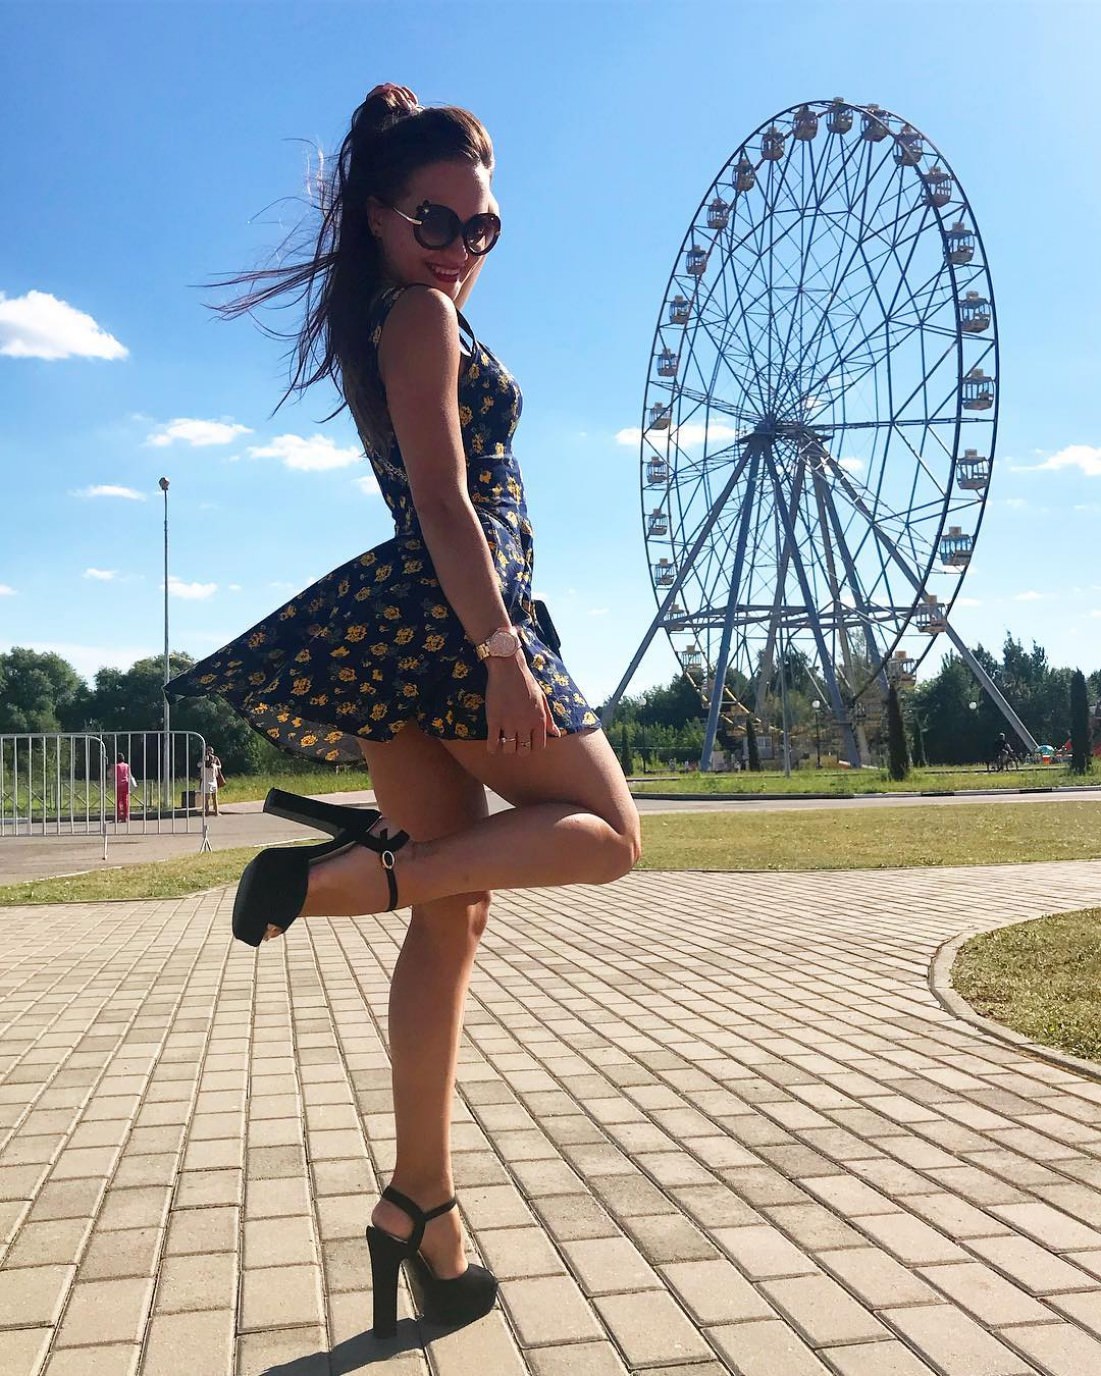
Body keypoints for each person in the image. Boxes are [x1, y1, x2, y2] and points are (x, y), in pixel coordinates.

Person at [166, 83, 640, 1339]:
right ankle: (349, 879)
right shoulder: (420, 314)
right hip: (458, 625)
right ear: (379, 212)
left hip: (398, 632)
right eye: (436, 220)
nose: (458, 247)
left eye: (481, 228)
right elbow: (442, 495)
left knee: (454, 909)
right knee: (610, 835)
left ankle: (419, 1203)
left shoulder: (383, 312)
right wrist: (502, 651)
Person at [199, 746, 223, 816]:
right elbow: (217, 774)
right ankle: (216, 812)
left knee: (206, 799)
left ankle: (206, 812)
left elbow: (201, 774)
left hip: (205, 782)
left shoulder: (203, 765)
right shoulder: (214, 766)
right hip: (213, 782)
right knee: (214, 798)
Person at [112, 753, 134, 822]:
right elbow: (129, 775)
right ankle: (126, 817)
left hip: (119, 785)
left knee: (118, 801)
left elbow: (114, 776)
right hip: (126, 784)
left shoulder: (116, 766)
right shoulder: (127, 766)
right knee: (125, 801)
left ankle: (118, 817)